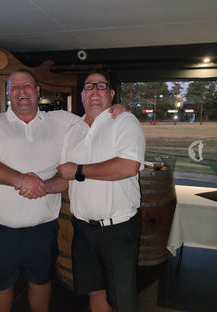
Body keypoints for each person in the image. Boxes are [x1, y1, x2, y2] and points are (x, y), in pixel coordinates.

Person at [0, 69, 126, 312]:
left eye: (28, 86)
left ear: (38, 91)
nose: (22, 91)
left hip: (43, 227)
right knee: (0, 284)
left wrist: (116, 110)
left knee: (40, 281)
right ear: (8, 92)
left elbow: (94, 121)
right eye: (16, 87)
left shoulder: (61, 121)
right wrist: (22, 180)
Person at [56, 70, 146, 312]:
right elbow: (65, 178)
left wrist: (79, 170)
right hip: (83, 227)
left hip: (118, 229)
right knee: (95, 291)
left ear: (111, 93)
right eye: (89, 86)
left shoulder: (124, 121)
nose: (94, 90)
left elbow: (128, 166)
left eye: (101, 85)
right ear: (82, 94)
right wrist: (31, 185)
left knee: (123, 301)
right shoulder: (72, 129)